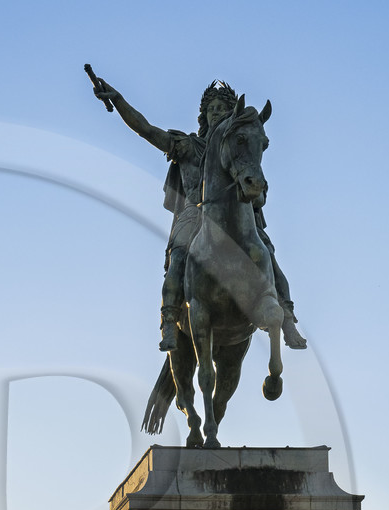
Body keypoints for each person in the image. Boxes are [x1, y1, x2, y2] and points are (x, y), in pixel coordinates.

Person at [88, 73, 305, 355]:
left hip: (237, 217)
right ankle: (168, 318)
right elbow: (146, 129)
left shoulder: (236, 147)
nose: (216, 113)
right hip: (195, 213)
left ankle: (286, 319)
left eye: (222, 109)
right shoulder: (188, 146)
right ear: (203, 115)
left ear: (231, 115)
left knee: (267, 253)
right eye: (211, 108)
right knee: (179, 254)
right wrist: (118, 100)